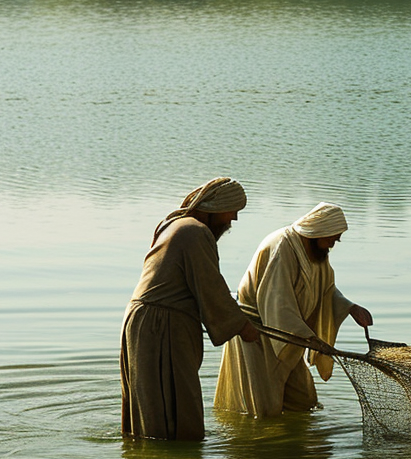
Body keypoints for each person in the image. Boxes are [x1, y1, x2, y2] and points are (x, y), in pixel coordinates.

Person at [121, 177, 260, 441]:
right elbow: (211, 288)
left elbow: (199, 286)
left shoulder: (176, 225)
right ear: (216, 207)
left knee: (152, 406)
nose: (234, 220)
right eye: (234, 211)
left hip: (145, 321)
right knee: (177, 406)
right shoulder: (195, 232)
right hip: (161, 325)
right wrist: (242, 326)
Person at [215, 202, 373, 416]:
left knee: (303, 400)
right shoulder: (282, 246)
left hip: (290, 335)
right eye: (333, 236)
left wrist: (351, 307)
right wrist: (311, 338)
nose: (336, 242)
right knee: (264, 405)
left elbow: (325, 289)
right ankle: (260, 442)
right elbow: (278, 303)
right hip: (259, 333)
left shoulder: (316, 251)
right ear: (319, 231)